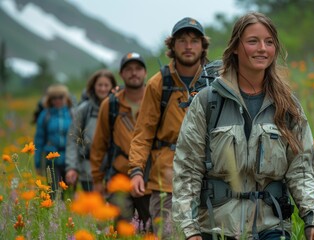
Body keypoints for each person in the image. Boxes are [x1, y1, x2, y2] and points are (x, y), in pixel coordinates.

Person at [172, 12, 314, 240]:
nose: (262, 48)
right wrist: (189, 230)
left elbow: (301, 170)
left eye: (269, 42)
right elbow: (187, 170)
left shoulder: (288, 106)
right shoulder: (207, 102)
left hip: (271, 227)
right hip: (217, 228)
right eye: (253, 41)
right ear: (235, 47)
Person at [128, 17, 210, 237]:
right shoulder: (159, 83)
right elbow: (142, 132)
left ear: (203, 46)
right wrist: (136, 170)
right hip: (167, 181)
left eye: (194, 40)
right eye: (182, 40)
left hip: (210, 180)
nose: (188, 46)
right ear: (172, 46)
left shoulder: (215, 80)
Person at [90, 52, 151, 230]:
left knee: (153, 232)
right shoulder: (110, 105)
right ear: (121, 74)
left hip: (150, 179)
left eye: (138, 68)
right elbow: (99, 145)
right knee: (122, 230)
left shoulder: (155, 99)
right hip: (120, 179)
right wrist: (97, 180)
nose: (134, 73)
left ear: (145, 73)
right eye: (128, 69)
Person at [65, 69, 117, 192]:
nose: (103, 89)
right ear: (93, 86)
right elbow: (73, 139)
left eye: (106, 85)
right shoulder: (84, 110)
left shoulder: (118, 107)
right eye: (100, 85)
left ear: (112, 87)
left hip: (114, 171)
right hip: (88, 171)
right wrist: (71, 167)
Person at [34, 83, 73, 198]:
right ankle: (56, 214)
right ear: (49, 100)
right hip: (51, 160)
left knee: (69, 193)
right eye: (54, 98)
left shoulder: (72, 113)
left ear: (66, 98)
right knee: (54, 193)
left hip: (68, 159)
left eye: (60, 97)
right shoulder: (45, 115)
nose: (57, 100)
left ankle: (68, 215)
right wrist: (37, 163)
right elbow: (39, 140)